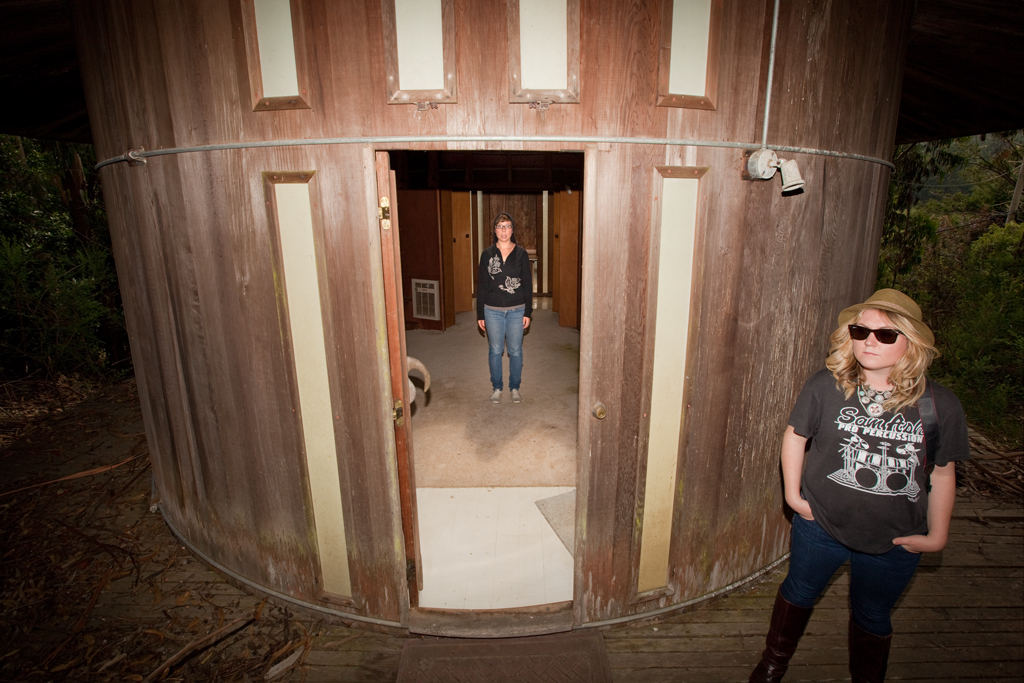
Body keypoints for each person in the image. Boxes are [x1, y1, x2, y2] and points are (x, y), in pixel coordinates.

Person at [749, 289, 970, 683]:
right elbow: (795, 436)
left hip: (895, 540)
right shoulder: (826, 386)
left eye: (886, 334)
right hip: (821, 525)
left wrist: (937, 536)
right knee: (798, 592)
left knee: (871, 614)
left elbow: (941, 473)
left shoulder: (941, 406)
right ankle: (771, 667)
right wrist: (793, 496)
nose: (870, 339)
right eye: (861, 329)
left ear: (910, 343)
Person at [477, 212, 532, 404]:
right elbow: (482, 285)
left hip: (517, 309)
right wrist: (480, 313)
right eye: (500, 227)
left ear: (512, 230)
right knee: (495, 350)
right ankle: (497, 387)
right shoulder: (487, 255)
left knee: (515, 350)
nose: (504, 231)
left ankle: (515, 387)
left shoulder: (521, 254)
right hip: (492, 310)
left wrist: (528, 312)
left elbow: (527, 284)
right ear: (494, 230)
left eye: (507, 226)